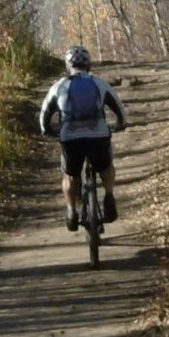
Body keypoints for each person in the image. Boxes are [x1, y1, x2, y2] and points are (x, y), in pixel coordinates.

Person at [39, 46, 126, 230]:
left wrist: (47, 130)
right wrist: (119, 124)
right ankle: (109, 194)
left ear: (67, 65)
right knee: (106, 166)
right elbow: (120, 110)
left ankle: (71, 211)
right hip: (98, 135)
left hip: (71, 138)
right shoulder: (99, 83)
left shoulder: (59, 86)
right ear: (89, 65)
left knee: (70, 175)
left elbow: (44, 114)